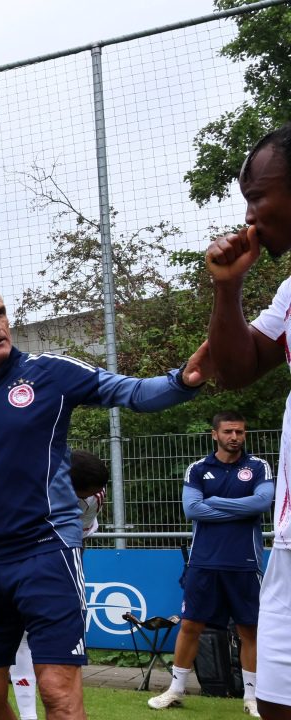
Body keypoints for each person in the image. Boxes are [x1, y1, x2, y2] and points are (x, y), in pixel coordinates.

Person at [0, 277, 205, 720]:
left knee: (58, 695)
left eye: (0, 313)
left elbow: (130, 391)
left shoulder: (49, 373)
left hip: (47, 551)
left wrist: (182, 381)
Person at [201, 124, 291, 720]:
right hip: (289, 538)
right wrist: (227, 288)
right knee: (278, 703)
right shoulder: (290, 290)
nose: (249, 215)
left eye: (257, 196)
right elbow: (236, 370)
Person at [146, 411, 270, 716]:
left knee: (250, 630)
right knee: (190, 625)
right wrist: (240, 509)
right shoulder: (198, 469)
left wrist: (213, 502)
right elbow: (192, 510)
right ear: (215, 434)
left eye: (240, 432)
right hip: (203, 562)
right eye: (228, 431)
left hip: (244, 562)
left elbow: (262, 502)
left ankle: (252, 697)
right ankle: (175, 690)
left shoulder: (258, 466)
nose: (235, 437)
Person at [10, 449, 110, 720]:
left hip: (61, 551)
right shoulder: (31, 480)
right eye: (87, 491)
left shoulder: (93, 499)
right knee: (18, 632)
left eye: (95, 490)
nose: (94, 494)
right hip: (20, 548)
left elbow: (74, 538)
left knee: (48, 634)